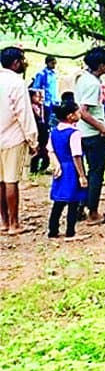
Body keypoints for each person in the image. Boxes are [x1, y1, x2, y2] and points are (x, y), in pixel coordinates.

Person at [0, 47, 38, 235]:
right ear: (15, 63)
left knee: (0, 182)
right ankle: (14, 224)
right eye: (22, 60)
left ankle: (4, 222)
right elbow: (24, 114)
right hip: (13, 138)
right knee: (11, 180)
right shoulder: (17, 83)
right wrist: (33, 140)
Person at [76, 47, 105, 225]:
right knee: (95, 173)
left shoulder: (82, 79)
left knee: (82, 172)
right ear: (101, 66)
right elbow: (83, 111)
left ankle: (79, 207)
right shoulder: (93, 84)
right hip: (93, 134)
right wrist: (101, 127)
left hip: (81, 133)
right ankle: (93, 213)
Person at [46, 101, 89, 241]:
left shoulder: (54, 132)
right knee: (73, 200)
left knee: (59, 201)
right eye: (77, 112)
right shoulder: (74, 133)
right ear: (70, 116)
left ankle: (53, 229)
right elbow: (76, 155)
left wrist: (56, 165)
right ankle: (70, 230)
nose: (79, 114)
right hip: (71, 168)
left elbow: (50, 150)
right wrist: (82, 175)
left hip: (60, 168)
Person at [30, 56, 60, 128]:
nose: (54, 65)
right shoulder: (41, 74)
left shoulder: (54, 74)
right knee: (47, 123)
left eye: (55, 63)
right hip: (46, 102)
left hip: (54, 101)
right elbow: (35, 89)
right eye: (52, 63)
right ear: (47, 63)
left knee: (54, 122)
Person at [29, 89, 49, 174]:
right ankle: (34, 167)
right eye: (36, 96)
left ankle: (44, 166)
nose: (39, 98)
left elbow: (43, 119)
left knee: (44, 149)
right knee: (37, 150)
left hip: (43, 131)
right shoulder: (30, 108)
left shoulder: (41, 107)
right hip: (36, 130)